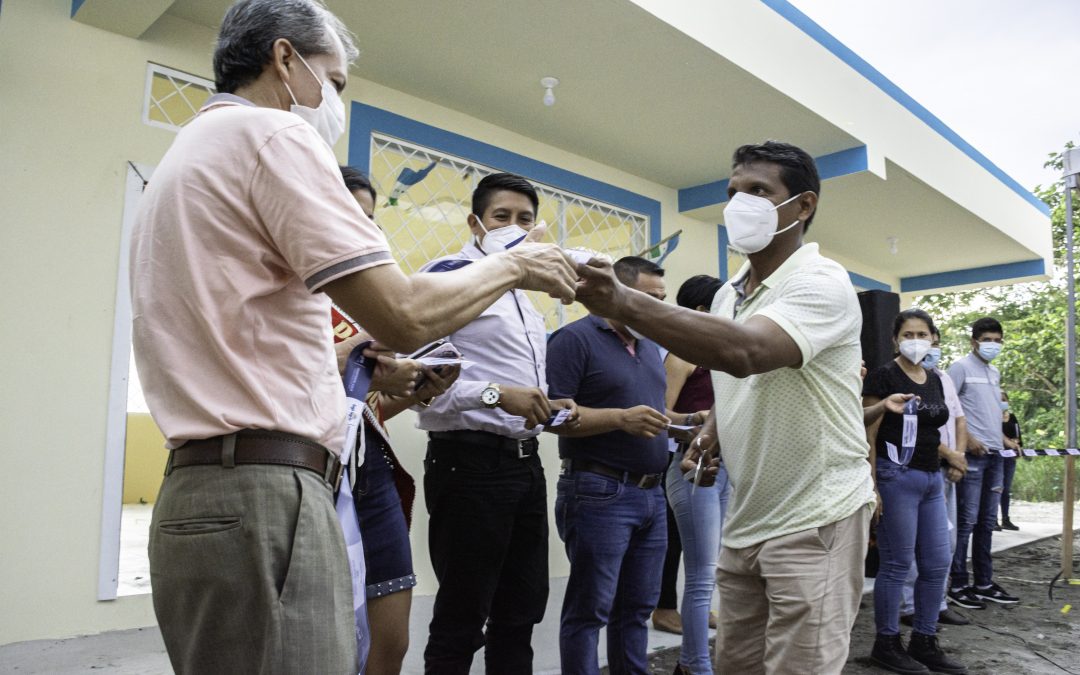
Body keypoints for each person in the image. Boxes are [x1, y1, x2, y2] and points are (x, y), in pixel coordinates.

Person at [130, 1, 578, 671]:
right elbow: (401, 313)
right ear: (286, 60)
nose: (337, 103)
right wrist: (516, 263)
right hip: (265, 493)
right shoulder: (273, 136)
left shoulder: (187, 154)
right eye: (335, 83)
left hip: (202, 488)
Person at [574, 141, 876, 674]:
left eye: (759, 191)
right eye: (733, 192)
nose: (740, 204)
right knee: (737, 666)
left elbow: (746, 352)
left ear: (802, 206)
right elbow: (734, 377)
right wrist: (713, 429)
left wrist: (623, 300)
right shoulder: (728, 293)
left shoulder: (821, 283)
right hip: (747, 520)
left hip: (816, 519)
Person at [416, 172, 580, 675]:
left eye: (525, 219)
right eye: (501, 217)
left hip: (525, 467)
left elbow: (515, 386)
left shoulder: (528, 301)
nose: (515, 226)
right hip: (468, 465)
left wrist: (546, 403)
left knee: (521, 612)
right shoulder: (448, 277)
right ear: (475, 223)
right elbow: (416, 385)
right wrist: (496, 395)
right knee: (462, 618)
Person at [334, 165, 463, 675]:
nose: (362, 229)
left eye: (370, 220)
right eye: (348, 215)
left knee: (391, 641)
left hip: (372, 474)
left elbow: (365, 409)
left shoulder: (363, 303)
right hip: (312, 474)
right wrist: (351, 356)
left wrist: (415, 390)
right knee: (322, 636)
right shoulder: (286, 295)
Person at [547, 256, 672, 675]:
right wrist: (620, 418)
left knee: (636, 610)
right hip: (600, 493)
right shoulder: (574, 339)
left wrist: (689, 423)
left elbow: (652, 413)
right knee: (589, 612)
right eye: (648, 298)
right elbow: (551, 417)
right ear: (618, 292)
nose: (656, 308)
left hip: (653, 494)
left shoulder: (651, 348)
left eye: (662, 299)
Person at [863, 309, 967, 674]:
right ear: (895, 339)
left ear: (934, 337)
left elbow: (934, 428)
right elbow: (869, 432)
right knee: (896, 563)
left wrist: (952, 457)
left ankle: (925, 640)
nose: (916, 339)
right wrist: (872, 484)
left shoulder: (935, 377)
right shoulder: (883, 375)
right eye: (908, 333)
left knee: (938, 562)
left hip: (930, 479)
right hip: (895, 476)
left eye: (922, 333)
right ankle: (887, 643)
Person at [663, 274, 729, 675]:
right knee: (702, 573)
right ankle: (694, 663)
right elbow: (657, 414)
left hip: (728, 468)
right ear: (703, 312)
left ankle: (696, 661)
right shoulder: (681, 356)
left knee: (716, 570)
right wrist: (698, 420)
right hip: (692, 469)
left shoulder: (724, 358)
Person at [897, 328, 970, 629]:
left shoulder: (943, 379)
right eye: (912, 335)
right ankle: (911, 607)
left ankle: (937, 603)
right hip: (918, 468)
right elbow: (916, 428)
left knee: (944, 544)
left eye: (932, 341)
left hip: (948, 469)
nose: (926, 346)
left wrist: (959, 456)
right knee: (913, 546)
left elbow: (959, 419)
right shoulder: (897, 378)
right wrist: (949, 455)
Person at [946, 318, 1019, 608]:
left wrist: (1004, 439)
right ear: (974, 341)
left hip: (996, 457)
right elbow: (948, 408)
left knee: (988, 523)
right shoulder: (960, 368)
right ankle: (958, 584)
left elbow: (991, 412)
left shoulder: (994, 372)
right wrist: (969, 441)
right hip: (973, 457)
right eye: (988, 339)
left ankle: (984, 582)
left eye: (998, 340)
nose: (994, 345)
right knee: (966, 521)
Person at [999, 391, 1022, 531]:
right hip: (996, 457)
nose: (1002, 402)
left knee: (1006, 489)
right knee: (996, 488)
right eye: (999, 399)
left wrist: (1017, 445)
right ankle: (992, 520)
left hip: (1010, 458)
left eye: (1004, 399)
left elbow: (1018, 436)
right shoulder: (992, 418)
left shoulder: (1012, 418)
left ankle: (1006, 518)